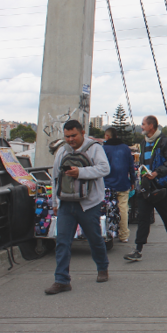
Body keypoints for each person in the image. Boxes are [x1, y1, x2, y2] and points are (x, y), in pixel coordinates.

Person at [45, 120, 110, 295]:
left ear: (82, 132)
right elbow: (55, 178)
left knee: (94, 238)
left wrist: (80, 172)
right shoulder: (62, 151)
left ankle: (102, 267)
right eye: (67, 136)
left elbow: (105, 169)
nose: (71, 139)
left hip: (89, 204)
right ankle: (61, 280)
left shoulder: (95, 148)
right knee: (62, 242)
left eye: (74, 135)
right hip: (66, 203)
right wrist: (55, 203)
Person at [124, 115, 167, 261]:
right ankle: (138, 249)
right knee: (143, 217)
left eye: (143, 124)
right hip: (146, 186)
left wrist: (156, 173)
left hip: (161, 186)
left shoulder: (164, 142)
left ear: (151, 126)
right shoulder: (143, 143)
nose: (141, 126)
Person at [102, 127, 136, 243]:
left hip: (107, 185)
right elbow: (131, 167)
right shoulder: (126, 148)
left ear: (107, 136)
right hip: (123, 183)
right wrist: (133, 181)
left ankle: (108, 232)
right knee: (123, 209)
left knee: (107, 209)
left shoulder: (104, 149)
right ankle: (124, 235)